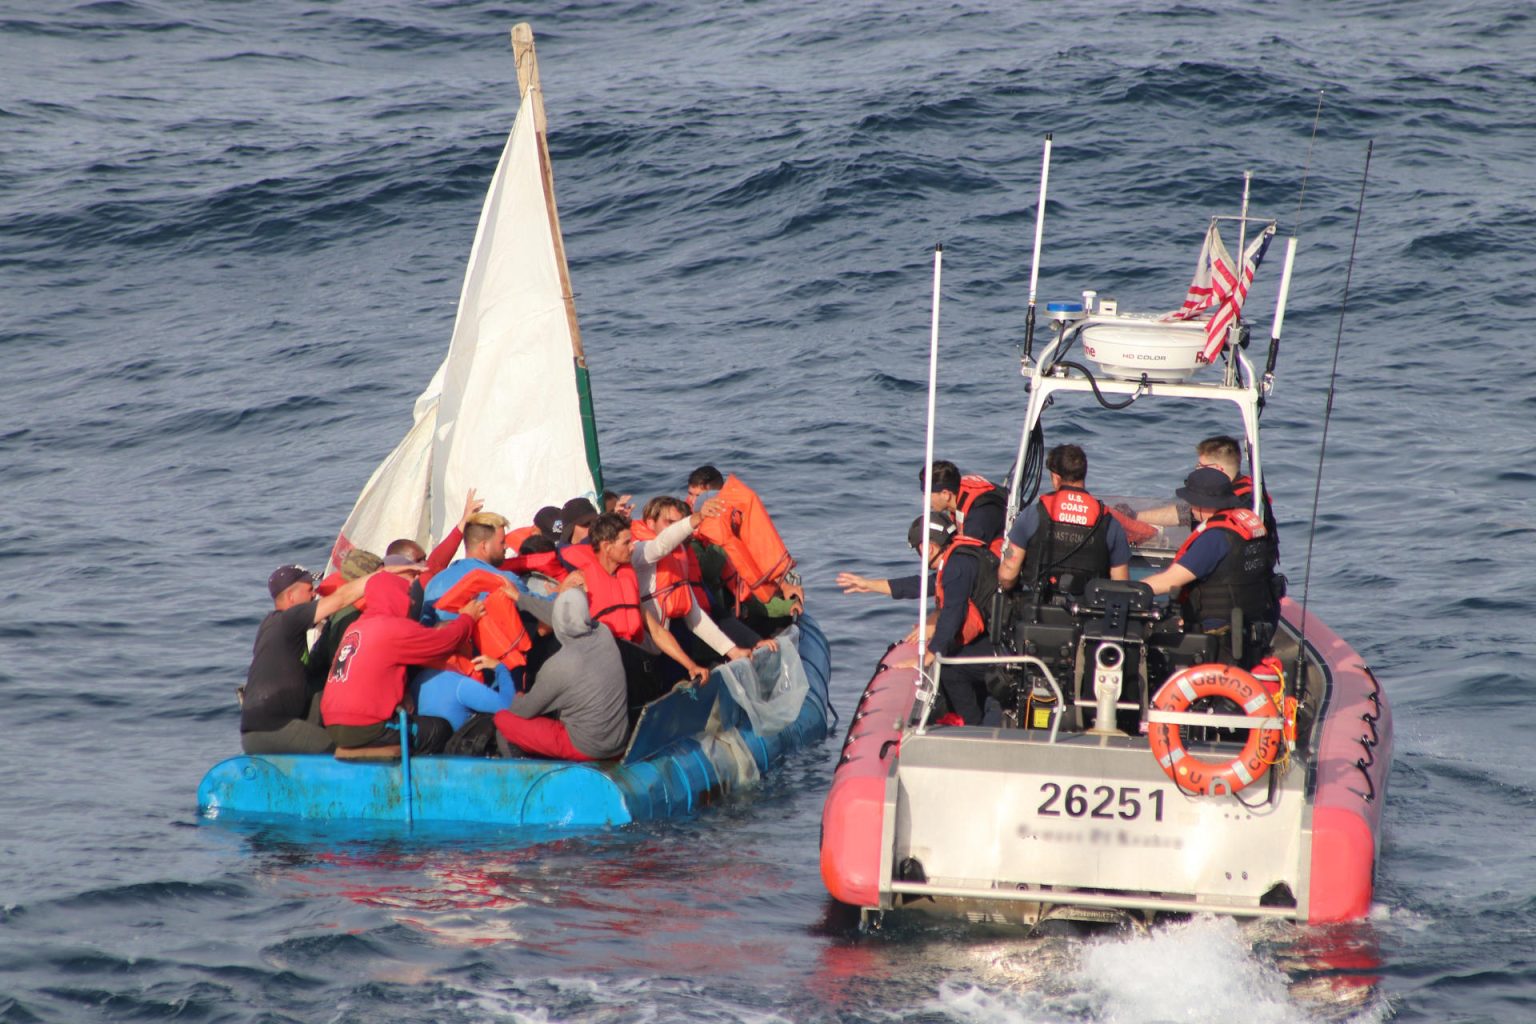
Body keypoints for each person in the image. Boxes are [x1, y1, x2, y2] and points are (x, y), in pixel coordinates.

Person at [838, 511, 1000, 725]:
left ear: (928, 548)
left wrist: (927, 658)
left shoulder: (957, 567)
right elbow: (920, 585)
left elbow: (952, 616)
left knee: (948, 667)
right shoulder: (958, 558)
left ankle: (973, 727)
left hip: (999, 648)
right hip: (996, 637)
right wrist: (869, 585)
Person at [321, 572, 485, 753]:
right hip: (366, 727)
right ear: (393, 596)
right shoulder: (392, 627)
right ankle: (423, 778)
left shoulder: (356, 626)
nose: (413, 602)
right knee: (439, 729)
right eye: (407, 595)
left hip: (332, 724)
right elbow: (445, 641)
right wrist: (468, 618)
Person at [559, 512, 710, 706]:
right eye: (626, 543)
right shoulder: (580, 582)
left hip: (635, 664)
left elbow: (656, 631)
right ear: (607, 546)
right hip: (604, 674)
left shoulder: (626, 579)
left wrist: (691, 665)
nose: (633, 547)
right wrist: (562, 591)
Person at [1141, 467, 1281, 669]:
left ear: (1200, 504)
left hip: (1216, 639)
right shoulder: (1244, 525)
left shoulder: (1215, 537)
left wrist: (1133, 589)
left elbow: (1169, 582)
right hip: (1248, 630)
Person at [492, 577, 629, 761]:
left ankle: (522, 776)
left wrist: (518, 697)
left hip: (587, 747)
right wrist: (520, 598)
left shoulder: (559, 666)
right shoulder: (603, 633)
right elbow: (561, 616)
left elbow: (523, 711)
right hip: (619, 740)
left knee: (503, 721)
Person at [240, 564, 372, 755]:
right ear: (291, 597)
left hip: (263, 727)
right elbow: (340, 600)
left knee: (320, 687)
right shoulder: (289, 619)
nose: (314, 595)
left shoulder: (272, 625)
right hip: (273, 728)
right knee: (344, 751)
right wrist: (384, 574)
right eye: (309, 589)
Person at [631, 495, 771, 663]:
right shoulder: (639, 551)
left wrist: (732, 651)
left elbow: (695, 615)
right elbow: (661, 545)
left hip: (665, 647)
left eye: (678, 523)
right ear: (650, 523)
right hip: (639, 651)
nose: (674, 529)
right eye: (669, 522)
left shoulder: (678, 558)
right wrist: (697, 518)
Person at [998, 444, 1131, 598]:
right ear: (1083, 474)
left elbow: (1007, 577)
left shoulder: (1033, 514)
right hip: (1088, 616)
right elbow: (1121, 585)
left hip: (1036, 613)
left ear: (1056, 478)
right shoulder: (1109, 522)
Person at [1137, 435, 1279, 555]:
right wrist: (1137, 517)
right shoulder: (1247, 493)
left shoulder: (1239, 501)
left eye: (1200, 466)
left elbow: (1185, 513)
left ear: (1217, 469)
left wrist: (1134, 517)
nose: (1197, 470)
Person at [922, 460, 1006, 554]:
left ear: (945, 494)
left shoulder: (979, 516)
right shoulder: (959, 493)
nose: (924, 500)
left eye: (927, 494)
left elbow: (970, 559)